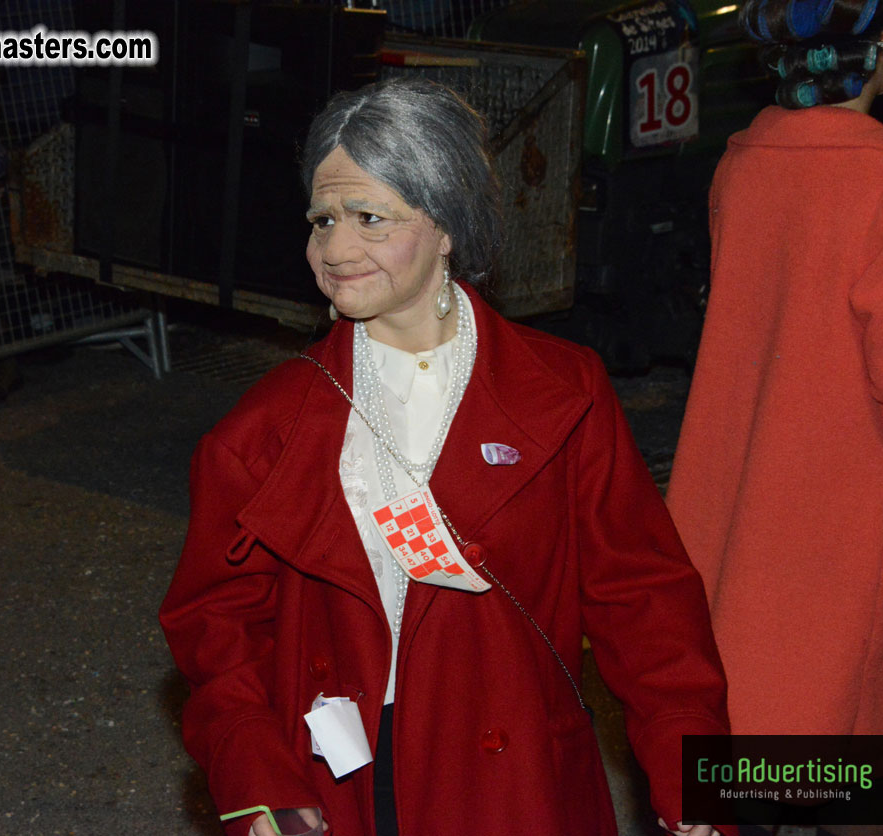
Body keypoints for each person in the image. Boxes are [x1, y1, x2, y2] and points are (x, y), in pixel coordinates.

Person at [159, 77, 730, 836]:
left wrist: (692, 774)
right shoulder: (264, 428)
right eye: (321, 219)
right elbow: (214, 626)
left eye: (369, 218)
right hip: (345, 784)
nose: (333, 248)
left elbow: (644, 600)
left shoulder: (562, 393)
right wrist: (257, 773)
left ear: (447, 222)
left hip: (514, 782)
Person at [667, 0, 883, 741]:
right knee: (863, 726)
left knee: (761, 701)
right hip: (854, 498)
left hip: (758, 481)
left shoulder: (742, 160)